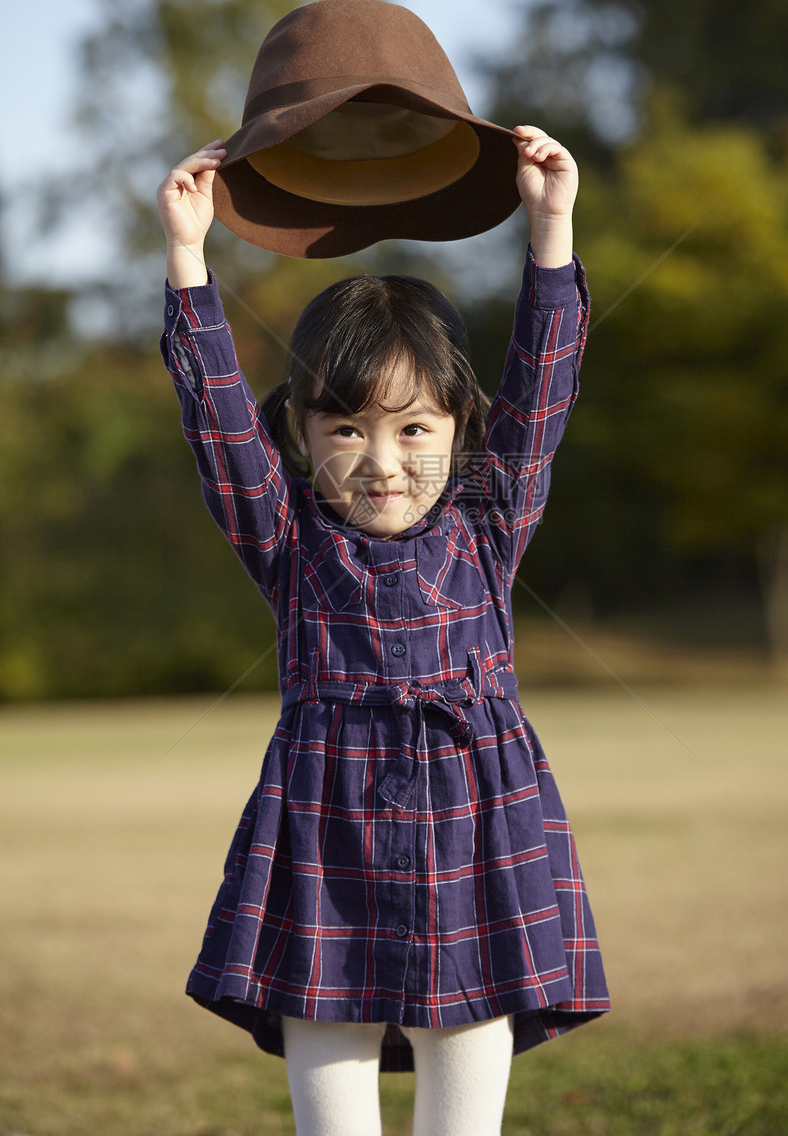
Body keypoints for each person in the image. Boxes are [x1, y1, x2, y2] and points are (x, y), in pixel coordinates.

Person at [156, 126, 610, 1136]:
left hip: (477, 819)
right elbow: (219, 424)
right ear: (304, 435)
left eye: (413, 428)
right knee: (328, 1036)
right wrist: (189, 260)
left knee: (466, 1054)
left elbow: (543, 387)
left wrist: (550, 228)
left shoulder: (487, 527)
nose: (382, 461)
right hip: (325, 822)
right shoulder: (287, 535)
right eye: (346, 428)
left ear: (457, 428)